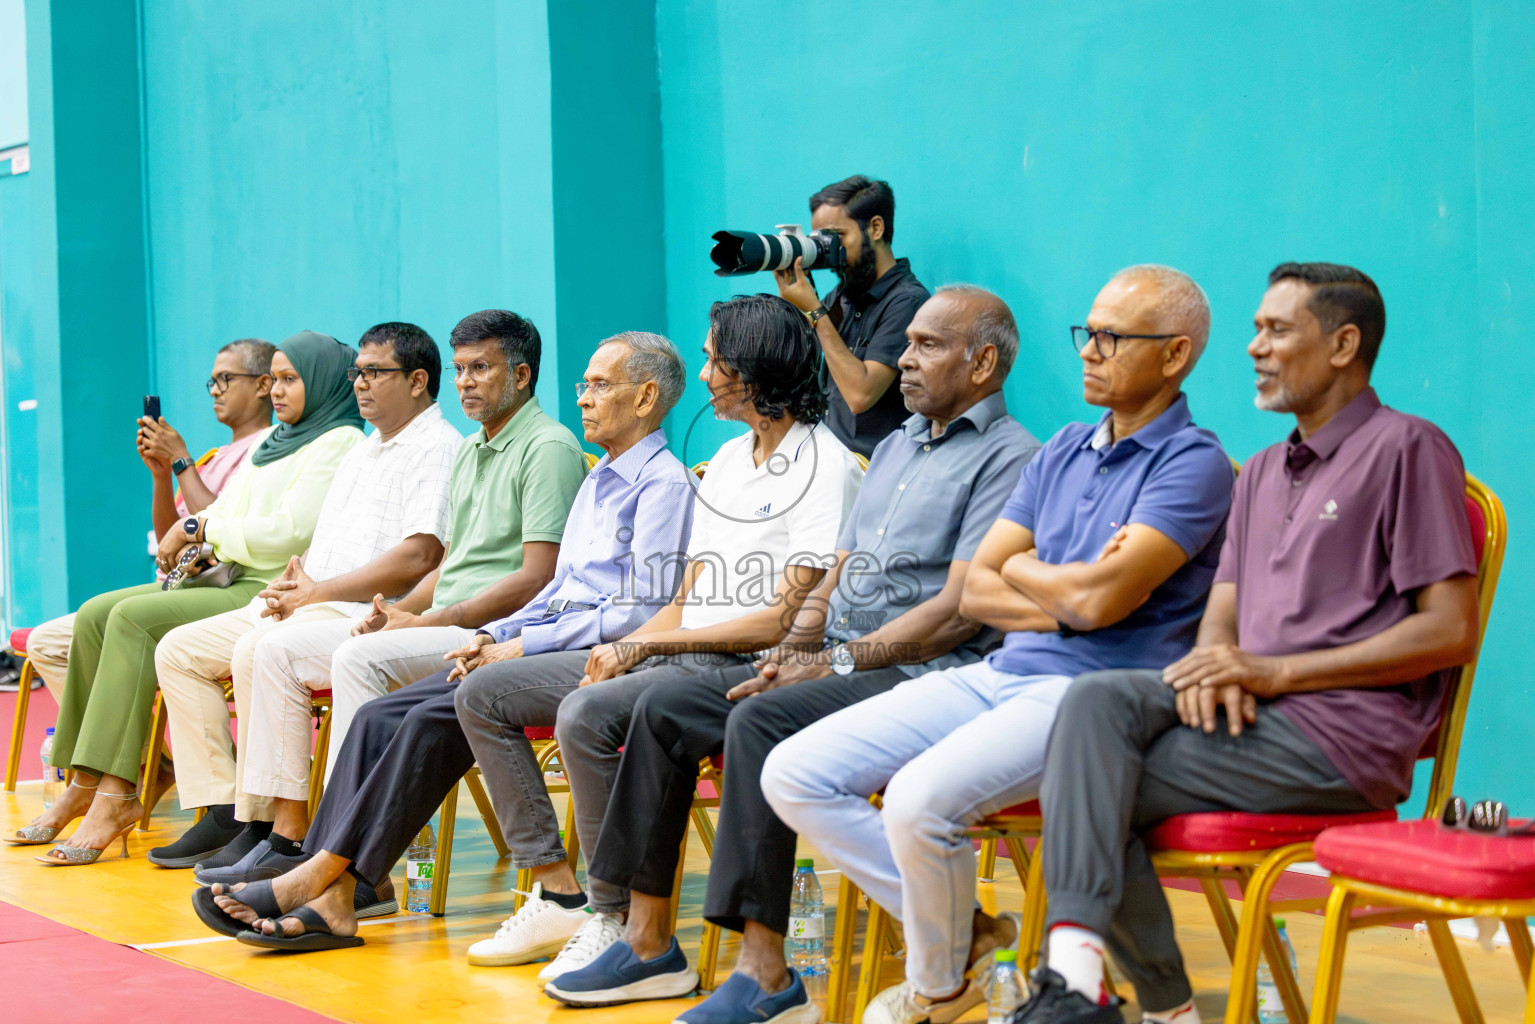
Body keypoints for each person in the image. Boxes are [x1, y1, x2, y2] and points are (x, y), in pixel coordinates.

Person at [764, 265, 1235, 1024]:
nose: (1089, 350)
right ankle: (965, 956)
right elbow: (979, 589)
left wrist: (1040, 575)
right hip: (1000, 670)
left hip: (1092, 700)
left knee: (917, 801)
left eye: (1111, 338)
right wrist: (1064, 584)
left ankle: (936, 985)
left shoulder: (1195, 463)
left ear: (1175, 355)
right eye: (1088, 333)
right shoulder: (1062, 451)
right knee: (794, 772)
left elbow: (1097, 599)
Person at [1018, 264, 1480, 1024]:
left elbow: (1448, 630)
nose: (1251, 347)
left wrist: (1271, 671)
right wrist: (1210, 668)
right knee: (1094, 703)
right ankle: (1083, 987)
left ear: (1342, 344)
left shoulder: (1408, 448)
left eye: (1275, 330)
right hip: (1248, 716)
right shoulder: (1259, 470)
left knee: (1089, 788)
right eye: (1255, 329)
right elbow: (1222, 613)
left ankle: (1142, 1004)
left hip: (1339, 737)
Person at [573, 286, 1042, 1024]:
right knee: (662, 705)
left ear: (983, 363)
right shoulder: (892, 446)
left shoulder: (1013, 458)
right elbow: (835, 573)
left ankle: (764, 974)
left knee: (759, 721)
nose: (902, 362)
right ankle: (645, 941)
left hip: (921, 671)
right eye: (907, 342)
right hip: (837, 658)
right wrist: (795, 649)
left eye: (925, 347)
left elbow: (953, 613)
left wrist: (832, 661)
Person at [191, 332, 696, 950]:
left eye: (599, 386)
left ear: (646, 398)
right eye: (583, 385)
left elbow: (634, 611)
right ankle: (338, 891)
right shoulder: (600, 480)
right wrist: (492, 634)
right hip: (545, 638)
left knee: (460, 696)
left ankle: (334, 876)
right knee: (382, 715)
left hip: (597, 654)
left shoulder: (662, 485)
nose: (584, 398)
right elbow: (558, 589)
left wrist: (518, 645)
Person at [539, 294, 864, 1007]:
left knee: (620, 708)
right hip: (696, 650)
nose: (707, 373)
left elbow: (785, 618)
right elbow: (687, 594)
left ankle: (624, 921)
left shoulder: (824, 463)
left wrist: (650, 647)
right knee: (594, 703)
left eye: (716, 359)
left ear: (755, 371)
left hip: (764, 660)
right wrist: (635, 642)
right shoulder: (725, 457)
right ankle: (637, 933)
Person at [187, 309, 587, 887]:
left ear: (522, 376)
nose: (467, 381)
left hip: (496, 631)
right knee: (273, 650)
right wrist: (405, 613)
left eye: (482, 368)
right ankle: (294, 836)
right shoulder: (476, 448)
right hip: (444, 619)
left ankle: (344, 854)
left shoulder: (545, 447)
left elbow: (537, 577)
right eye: (461, 369)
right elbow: (451, 563)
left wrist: (428, 616)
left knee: (354, 656)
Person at [6, 331, 366, 863]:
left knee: (130, 620)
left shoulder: (338, 442)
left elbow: (288, 532)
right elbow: (224, 513)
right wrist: (201, 525)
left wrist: (199, 526)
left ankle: (116, 796)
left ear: (325, 383)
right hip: (228, 574)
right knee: (95, 614)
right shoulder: (277, 443)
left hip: (267, 585)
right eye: (278, 379)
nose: (278, 392)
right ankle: (86, 780)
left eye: (291, 380)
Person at [146, 323, 462, 869]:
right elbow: (324, 542)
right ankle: (238, 814)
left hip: (371, 612)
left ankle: (286, 830)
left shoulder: (436, 447)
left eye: (375, 373)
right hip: (317, 598)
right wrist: (298, 581)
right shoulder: (367, 448)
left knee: (266, 650)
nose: (360, 384)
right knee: (179, 649)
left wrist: (316, 590)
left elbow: (419, 558)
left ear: (417, 381)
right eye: (356, 373)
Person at [22, 339, 276, 703]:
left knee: (83, 633)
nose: (215, 391)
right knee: (46, 642)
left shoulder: (265, 450)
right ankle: (145, 759)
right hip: (175, 585)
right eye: (212, 382)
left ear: (261, 384)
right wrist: (161, 476)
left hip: (215, 590)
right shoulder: (214, 456)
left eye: (226, 379)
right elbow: (169, 539)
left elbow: (218, 529)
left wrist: (181, 460)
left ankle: (126, 757)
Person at [775, 175, 929, 458]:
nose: (827, 249)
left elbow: (860, 395)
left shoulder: (908, 302)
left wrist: (816, 313)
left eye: (835, 236)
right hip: (831, 466)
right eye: (818, 240)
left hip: (877, 471)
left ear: (876, 227)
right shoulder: (840, 297)